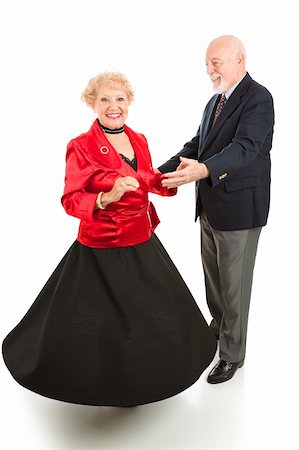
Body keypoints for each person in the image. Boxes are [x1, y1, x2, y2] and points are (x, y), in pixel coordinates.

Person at [2, 71, 217, 407]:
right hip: (101, 245)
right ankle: (103, 381)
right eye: (104, 99)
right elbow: (70, 199)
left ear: (128, 103)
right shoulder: (80, 147)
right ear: (93, 103)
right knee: (96, 319)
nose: (113, 106)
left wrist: (178, 178)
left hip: (141, 238)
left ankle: (147, 375)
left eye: (119, 99)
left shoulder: (139, 139)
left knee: (150, 312)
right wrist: (105, 198)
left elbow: (147, 179)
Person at [159, 35, 274, 384]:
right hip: (209, 204)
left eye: (216, 62)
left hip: (239, 207)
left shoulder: (258, 98)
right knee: (214, 278)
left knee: (234, 285)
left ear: (239, 59)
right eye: (207, 63)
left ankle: (232, 354)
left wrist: (205, 169)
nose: (209, 69)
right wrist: (159, 172)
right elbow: (198, 145)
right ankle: (219, 328)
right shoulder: (215, 102)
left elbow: (246, 148)